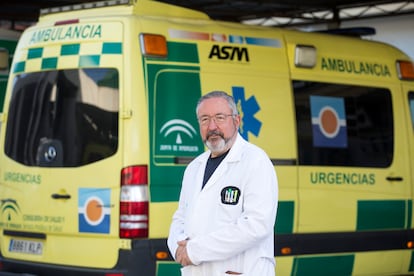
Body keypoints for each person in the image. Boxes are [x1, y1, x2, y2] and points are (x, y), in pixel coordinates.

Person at [167, 90, 278, 276]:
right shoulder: (194, 168)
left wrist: (194, 251)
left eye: (219, 117)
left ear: (237, 121)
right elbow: (180, 217)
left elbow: (257, 225)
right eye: (204, 119)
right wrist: (177, 248)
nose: (212, 126)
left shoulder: (255, 161)